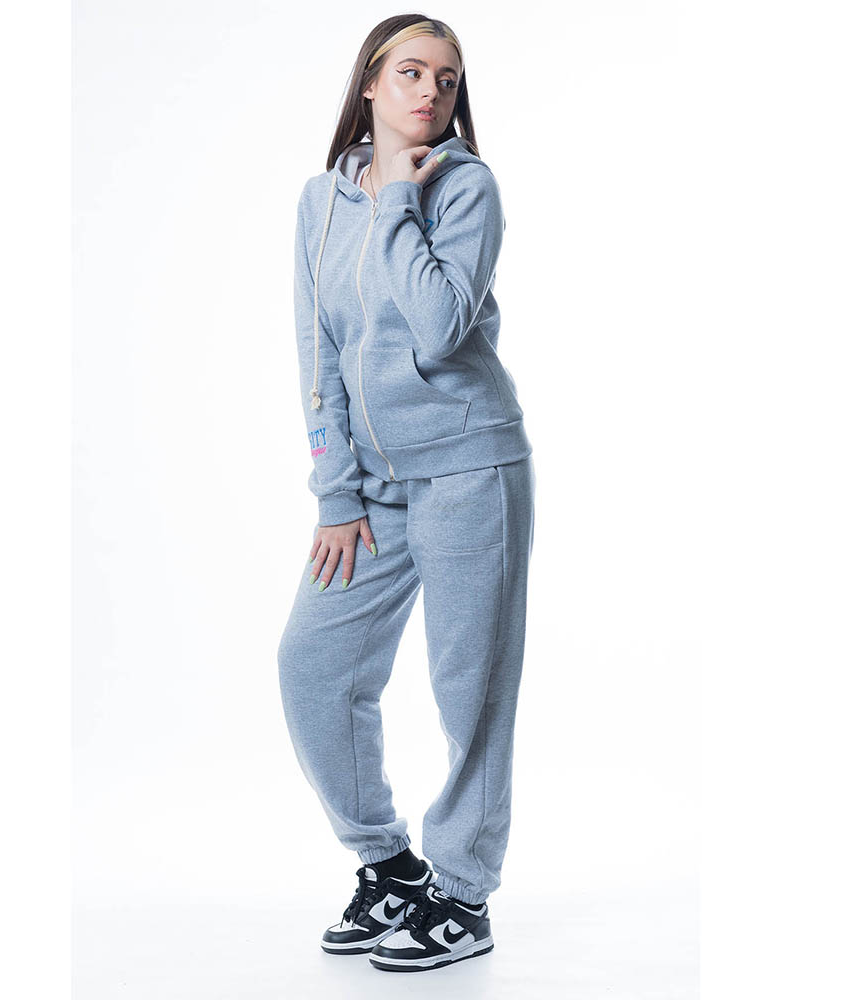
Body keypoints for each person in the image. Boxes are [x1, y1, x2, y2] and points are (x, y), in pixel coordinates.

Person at [276, 14, 536, 973]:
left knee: (471, 692)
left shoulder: (466, 188)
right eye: (411, 72)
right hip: (373, 494)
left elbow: (436, 327)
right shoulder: (320, 201)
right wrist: (334, 492)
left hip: (471, 468)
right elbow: (319, 352)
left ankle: (461, 893)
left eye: (448, 79)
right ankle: (388, 868)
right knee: (313, 666)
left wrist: (397, 200)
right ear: (370, 84)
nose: (431, 91)